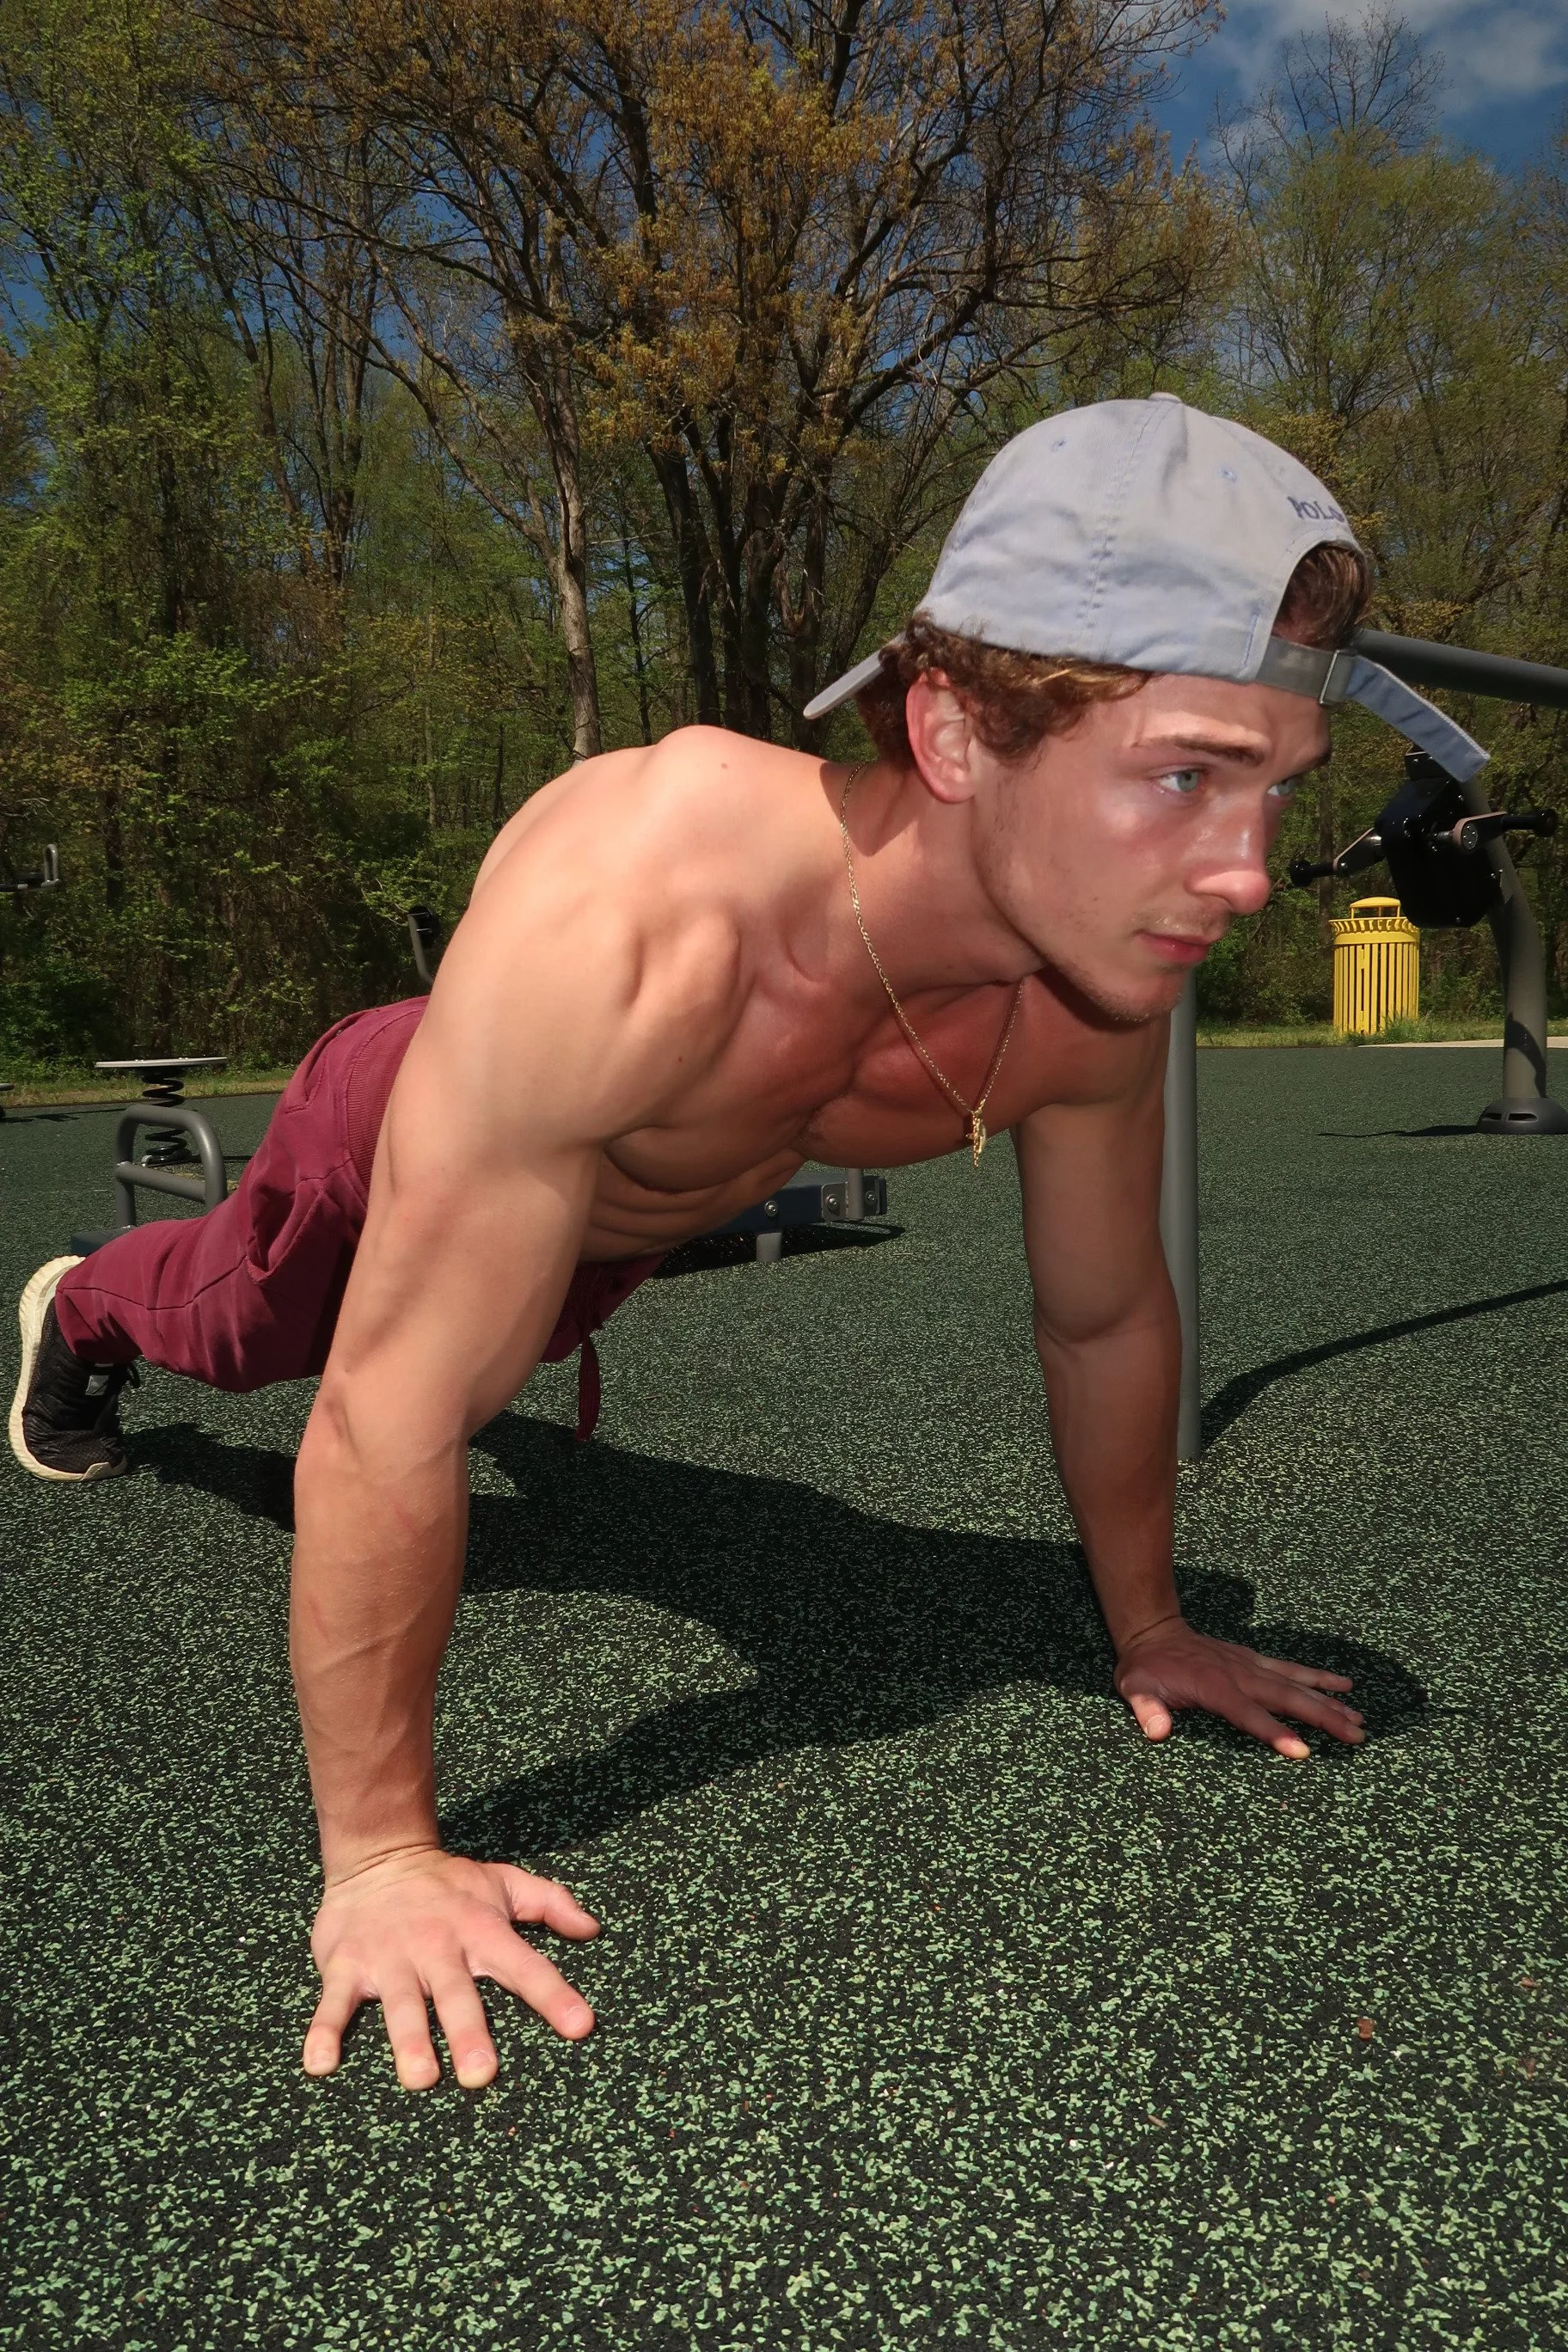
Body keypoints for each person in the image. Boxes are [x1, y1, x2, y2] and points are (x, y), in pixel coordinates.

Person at [9, 395, 1488, 2092]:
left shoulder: (1099, 990)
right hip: (416, 1120)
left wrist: (1148, 1626)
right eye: (1183, 779)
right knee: (253, 1331)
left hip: (615, 1230)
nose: (1243, 876)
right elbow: (388, 1419)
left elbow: (1103, 1317)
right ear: (952, 731)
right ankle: (81, 1309)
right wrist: (383, 1857)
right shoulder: (640, 912)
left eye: (1277, 795)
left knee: (509, 1391)